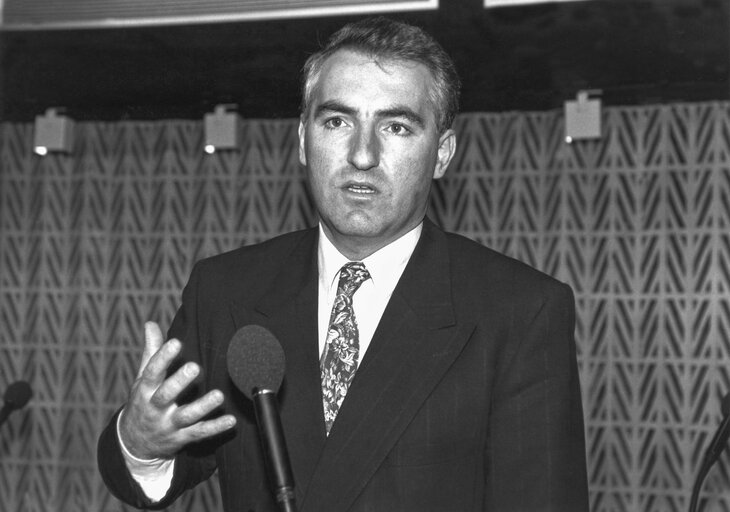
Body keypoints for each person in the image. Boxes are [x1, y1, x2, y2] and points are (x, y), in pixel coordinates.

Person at [97, 16, 589, 512]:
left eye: (395, 126)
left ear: (441, 155)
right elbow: (164, 463)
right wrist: (140, 444)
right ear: (302, 142)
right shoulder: (225, 290)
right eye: (337, 121)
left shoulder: (520, 309)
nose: (362, 154)